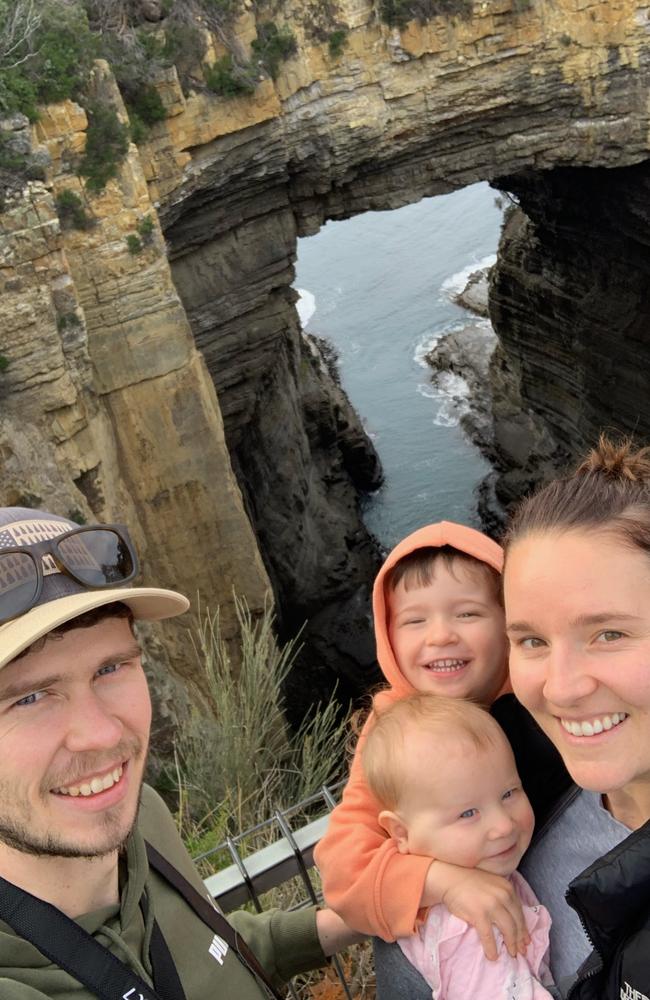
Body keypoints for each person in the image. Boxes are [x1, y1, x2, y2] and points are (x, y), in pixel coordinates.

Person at [0, 506, 361, 999]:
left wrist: (357, 920)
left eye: (110, 668)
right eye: (29, 697)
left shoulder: (143, 815)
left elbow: (208, 950)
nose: (101, 735)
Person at [315, 521, 552, 956]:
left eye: (467, 613)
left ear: (510, 622)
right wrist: (445, 882)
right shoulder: (396, 732)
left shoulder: (543, 697)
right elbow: (343, 872)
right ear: (387, 636)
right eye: (414, 620)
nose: (440, 635)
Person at [361, 693, 555, 999]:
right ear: (401, 832)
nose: (503, 825)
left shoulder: (472, 879)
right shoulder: (468, 931)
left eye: (509, 792)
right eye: (468, 813)